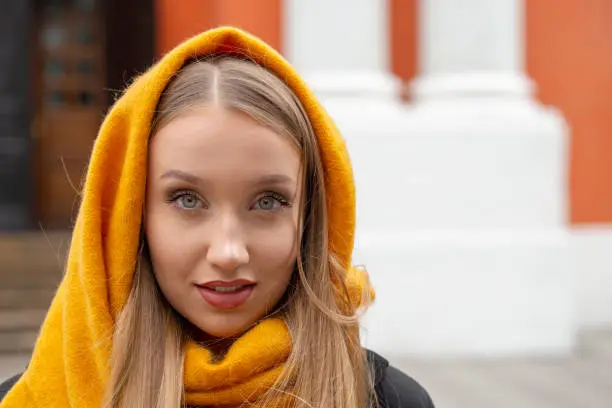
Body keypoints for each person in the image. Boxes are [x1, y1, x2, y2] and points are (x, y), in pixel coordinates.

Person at [0, 27, 434, 408]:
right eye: (187, 199)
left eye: (268, 202)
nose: (228, 252)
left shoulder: (387, 400)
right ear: (132, 218)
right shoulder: (35, 398)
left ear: (311, 218)